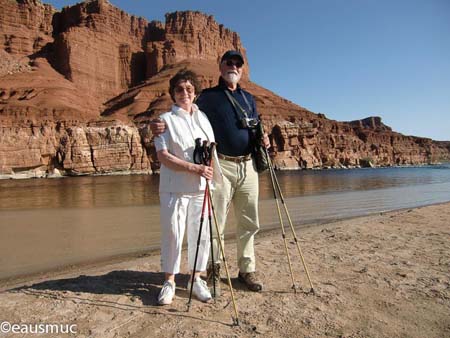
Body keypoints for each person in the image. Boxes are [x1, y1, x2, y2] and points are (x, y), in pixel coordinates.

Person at [152, 51, 269, 295]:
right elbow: (183, 112)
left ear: (242, 69)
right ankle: (212, 267)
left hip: (248, 166)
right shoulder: (209, 97)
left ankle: (247, 269)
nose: (233, 66)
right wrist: (156, 125)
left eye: (238, 63)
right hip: (221, 165)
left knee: (249, 220)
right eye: (229, 62)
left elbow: (255, 126)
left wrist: (264, 139)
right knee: (215, 222)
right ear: (220, 66)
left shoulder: (249, 98)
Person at [154, 69, 221, 305]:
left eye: (189, 89)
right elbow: (163, 156)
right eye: (179, 89)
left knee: (201, 235)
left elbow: (212, 150)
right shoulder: (164, 121)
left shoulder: (203, 119)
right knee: (173, 233)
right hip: (174, 188)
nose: (185, 93)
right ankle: (169, 281)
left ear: (195, 93)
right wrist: (195, 168)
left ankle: (195, 279)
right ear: (173, 94)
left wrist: (208, 172)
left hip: (202, 188)